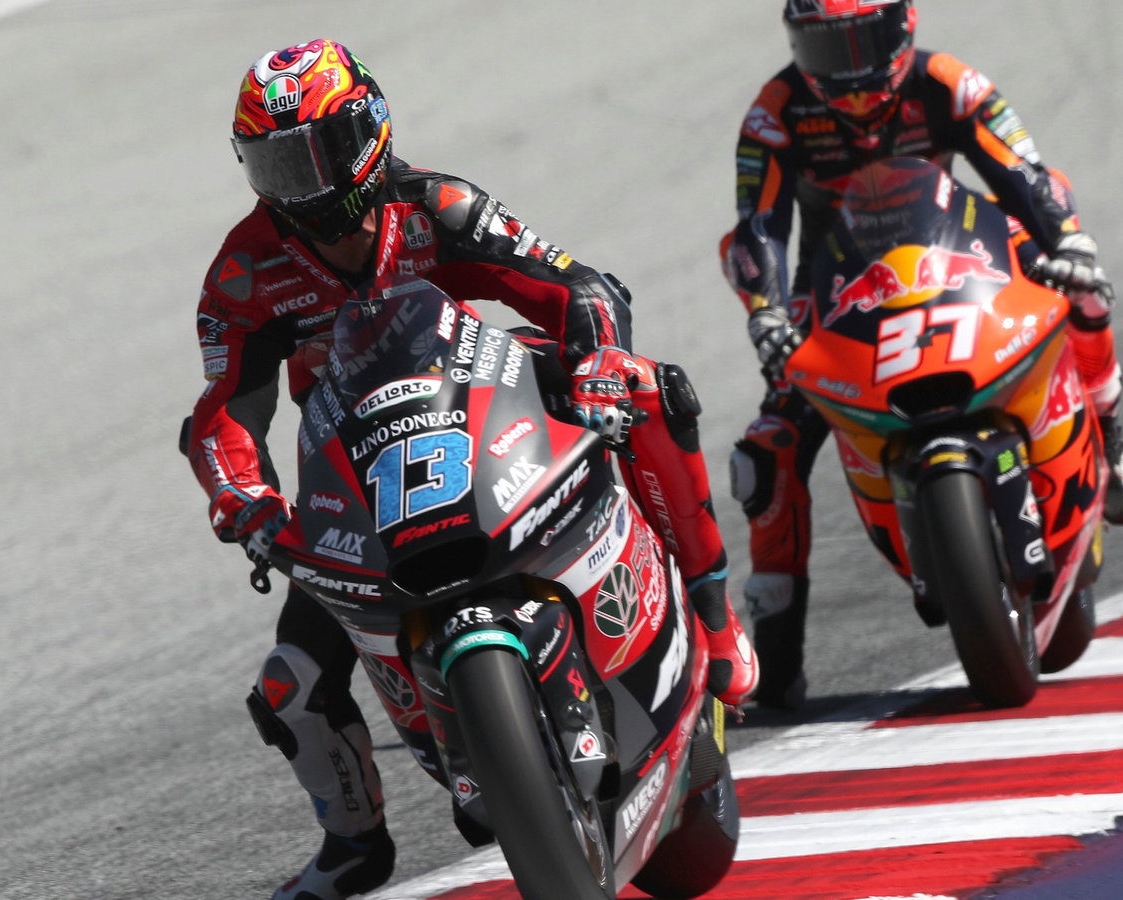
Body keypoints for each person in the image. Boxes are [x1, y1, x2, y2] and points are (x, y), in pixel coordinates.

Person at [183, 39, 759, 900]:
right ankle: (354, 845)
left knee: (649, 390)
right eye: (276, 164)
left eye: (317, 154)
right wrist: (244, 499)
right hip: (365, 478)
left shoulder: (438, 205)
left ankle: (714, 617)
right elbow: (224, 411)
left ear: (369, 131)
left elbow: (577, 285)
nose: (301, 185)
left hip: (489, 405)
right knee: (289, 686)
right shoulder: (243, 271)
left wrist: (598, 361)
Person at [720, 0, 1123, 709]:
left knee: (1081, 294)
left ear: (903, 25)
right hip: (835, 289)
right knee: (767, 452)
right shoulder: (776, 113)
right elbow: (757, 226)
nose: (852, 68)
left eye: (867, 39)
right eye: (829, 47)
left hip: (963, 251)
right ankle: (778, 652)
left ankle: (1112, 437)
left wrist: (1068, 240)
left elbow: (1023, 172)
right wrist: (765, 310)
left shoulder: (951, 82)